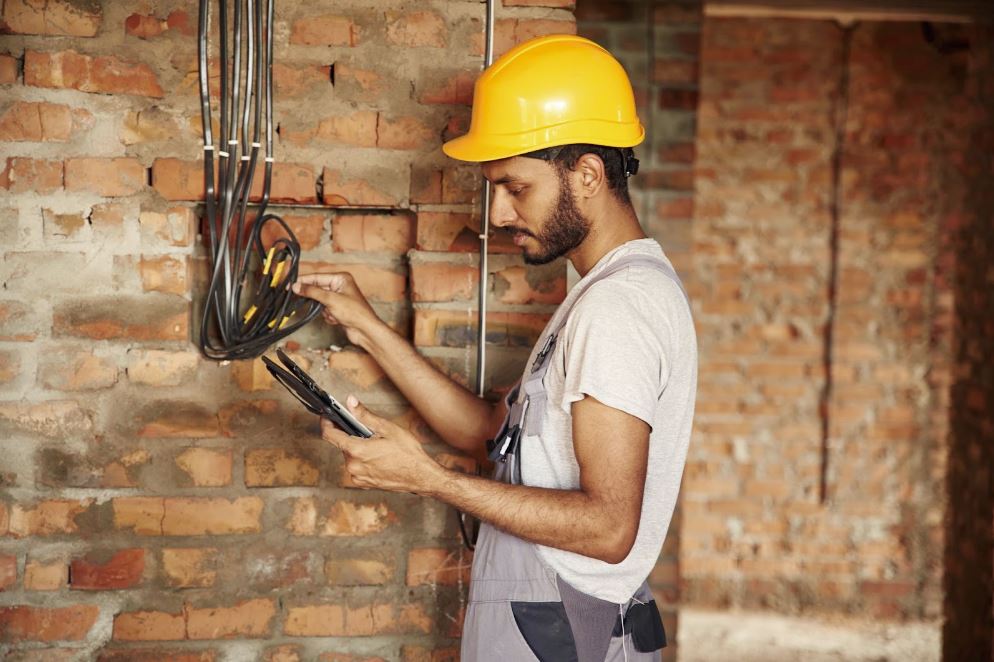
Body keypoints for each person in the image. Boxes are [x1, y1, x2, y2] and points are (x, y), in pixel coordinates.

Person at [292, 34, 697, 662]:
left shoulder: (619, 308)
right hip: (545, 622)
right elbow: (488, 430)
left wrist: (429, 481)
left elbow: (610, 528)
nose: (500, 214)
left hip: (564, 628)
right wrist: (365, 325)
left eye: (515, 187)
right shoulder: (597, 296)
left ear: (587, 173)